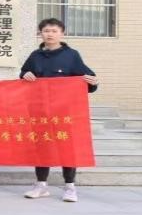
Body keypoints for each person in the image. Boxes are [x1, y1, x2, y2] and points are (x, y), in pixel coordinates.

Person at [20, 18, 98, 203]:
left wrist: (93, 82)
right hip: (40, 111)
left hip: (64, 112)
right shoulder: (35, 56)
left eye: (54, 31)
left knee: (67, 148)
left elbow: (86, 79)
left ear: (62, 33)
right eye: (46, 31)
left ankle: (70, 187)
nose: (50, 34)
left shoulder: (72, 55)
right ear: (40, 33)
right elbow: (23, 75)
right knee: (42, 147)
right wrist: (25, 74)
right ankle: (41, 185)